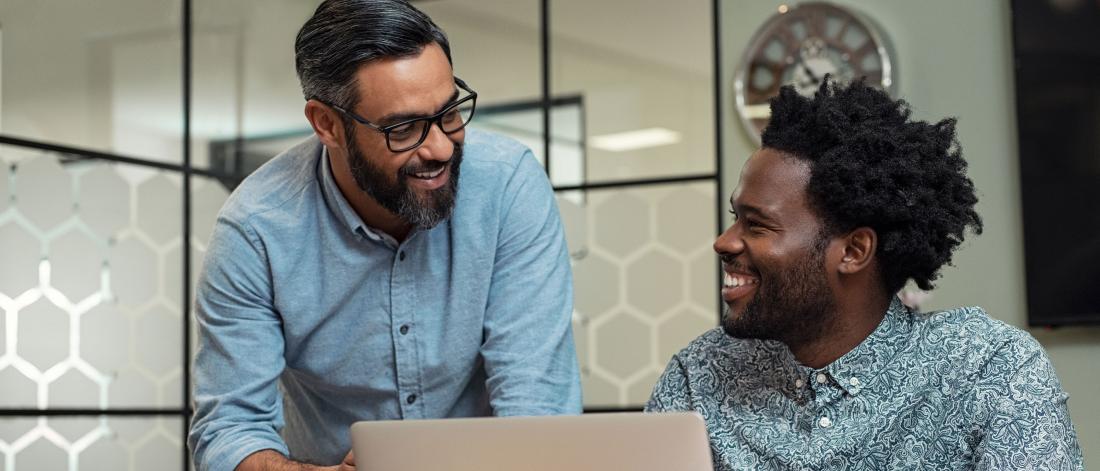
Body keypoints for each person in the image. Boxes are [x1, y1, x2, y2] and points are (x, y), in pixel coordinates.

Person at [187, 1, 582, 469]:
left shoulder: (507, 185)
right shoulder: (256, 230)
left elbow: (536, 403)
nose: (440, 148)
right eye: (404, 128)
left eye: (449, 113)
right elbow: (228, 428)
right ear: (327, 124)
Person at [647, 78, 1083, 470]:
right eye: (735, 218)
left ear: (854, 251)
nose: (723, 242)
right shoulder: (698, 377)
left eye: (757, 225)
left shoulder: (988, 369)